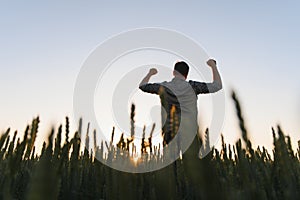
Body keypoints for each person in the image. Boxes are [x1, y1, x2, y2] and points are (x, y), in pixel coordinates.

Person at [139, 59, 222, 148]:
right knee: (191, 161)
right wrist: (213, 66)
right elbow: (217, 86)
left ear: (174, 72)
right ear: (186, 75)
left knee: (172, 161)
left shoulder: (164, 87)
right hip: (189, 131)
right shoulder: (193, 86)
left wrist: (150, 73)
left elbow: (142, 86)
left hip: (169, 132)